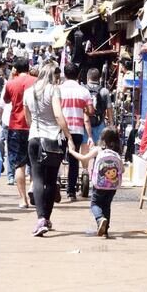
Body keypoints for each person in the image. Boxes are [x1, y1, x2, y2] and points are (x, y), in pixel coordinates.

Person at [24, 60, 76, 236]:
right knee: (51, 180)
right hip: (53, 140)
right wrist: (68, 136)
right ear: (52, 75)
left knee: (37, 178)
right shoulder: (54, 90)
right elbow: (58, 114)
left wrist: (35, 130)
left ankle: (40, 219)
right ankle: (45, 217)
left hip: (34, 138)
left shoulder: (28, 92)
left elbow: (27, 118)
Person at [67, 128, 123, 238]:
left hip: (99, 185)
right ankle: (105, 231)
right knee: (107, 206)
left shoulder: (99, 150)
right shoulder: (117, 153)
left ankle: (100, 219)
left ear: (103, 139)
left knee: (95, 204)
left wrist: (72, 151)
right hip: (112, 187)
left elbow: (83, 158)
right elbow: (122, 170)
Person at [3, 57, 37, 208]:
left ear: (15, 69)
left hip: (16, 126)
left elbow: (7, 100)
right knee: (36, 163)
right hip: (34, 126)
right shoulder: (36, 81)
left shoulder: (11, 83)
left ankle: (23, 199)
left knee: (19, 165)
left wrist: (12, 78)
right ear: (29, 67)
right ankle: (32, 188)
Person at [58, 63, 94, 202]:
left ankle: (56, 183)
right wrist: (81, 109)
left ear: (64, 74)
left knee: (58, 158)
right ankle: (71, 192)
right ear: (78, 74)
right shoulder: (83, 91)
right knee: (74, 160)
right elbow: (90, 111)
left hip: (61, 130)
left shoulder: (58, 90)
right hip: (77, 130)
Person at [83, 68, 113, 147]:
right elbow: (109, 110)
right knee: (100, 149)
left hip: (85, 124)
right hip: (100, 124)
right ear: (99, 78)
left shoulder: (83, 89)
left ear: (88, 78)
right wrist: (111, 126)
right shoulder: (104, 91)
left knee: (85, 149)